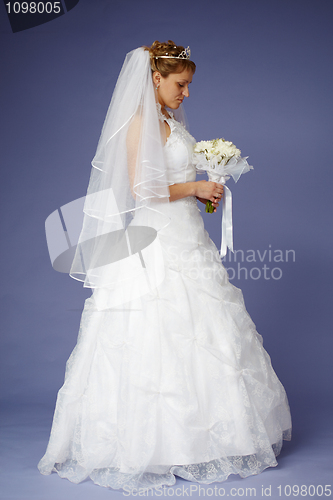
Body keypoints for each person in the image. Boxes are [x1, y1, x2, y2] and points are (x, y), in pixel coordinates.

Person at [38, 40, 292, 492]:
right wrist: (194, 188)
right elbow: (141, 188)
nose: (186, 93)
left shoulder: (170, 122)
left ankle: (202, 442)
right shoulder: (142, 123)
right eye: (180, 84)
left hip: (186, 234)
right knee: (155, 330)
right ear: (155, 78)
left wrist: (209, 180)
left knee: (206, 328)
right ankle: (150, 446)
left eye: (189, 85)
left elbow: (171, 176)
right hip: (155, 238)